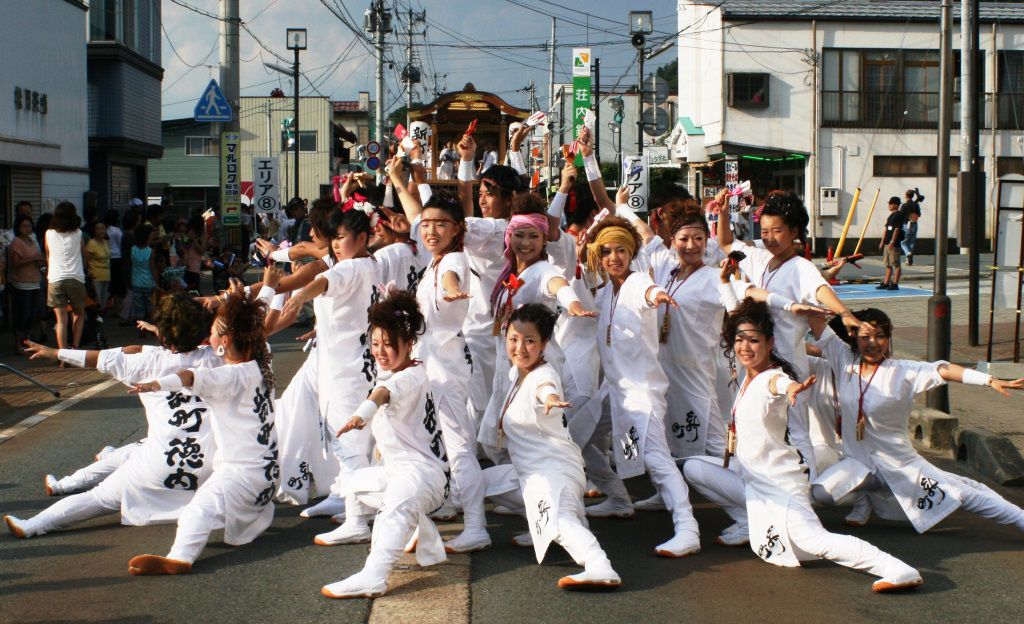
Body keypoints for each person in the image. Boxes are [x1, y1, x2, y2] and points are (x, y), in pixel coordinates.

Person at [683, 300, 923, 592]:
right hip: (754, 484)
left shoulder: (772, 377)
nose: (745, 346)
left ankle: (898, 569)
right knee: (694, 466)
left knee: (811, 540)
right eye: (740, 339)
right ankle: (746, 520)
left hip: (780, 487)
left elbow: (780, 386)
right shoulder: (747, 378)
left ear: (770, 343)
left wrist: (791, 387)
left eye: (754, 340)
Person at [4, 294, 219, 539]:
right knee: (127, 454)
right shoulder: (221, 358)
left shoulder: (143, 362)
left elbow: (95, 358)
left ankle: (34, 524)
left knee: (98, 497)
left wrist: (54, 352)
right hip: (213, 463)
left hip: (160, 460)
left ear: (164, 333)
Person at [808, 308, 1024, 534]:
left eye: (880, 336)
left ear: (888, 338)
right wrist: (842, 311)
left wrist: (988, 380)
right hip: (860, 465)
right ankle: (867, 497)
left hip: (901, 464)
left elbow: (944, 370)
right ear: (854, 337)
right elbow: (814, 318)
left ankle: (1019, 518)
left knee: (962, 495)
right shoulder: (844, 359)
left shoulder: (903, 371)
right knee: (821, 494)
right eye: (866, 337)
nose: (873, 343)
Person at [125, 291, 278, 575]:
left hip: (242, 475)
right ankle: (244, 518)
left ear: (224, 341)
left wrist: (157, 384)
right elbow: (264, 323)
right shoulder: (261, 362)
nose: (208, 334)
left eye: (213, 332)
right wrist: (268, 290)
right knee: (214, 504)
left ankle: (180, 558)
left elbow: (188, 376)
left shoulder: (227, 376)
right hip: (267, 476)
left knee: (195, 513)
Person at [579, 216, 702, 558]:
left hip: (641, 392)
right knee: (580, 437)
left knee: (657, 460)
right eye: (606, 251)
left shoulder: (636, 283)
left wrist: (658, 294)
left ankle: (688, 528)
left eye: (621, 250)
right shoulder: (605, 290)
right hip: (613, 392)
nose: (614, 257)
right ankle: (618, 498)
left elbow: (649, 292)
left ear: (631, 252)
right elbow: (583, 268)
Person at [319, 290, 450, 599]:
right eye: (375, 343)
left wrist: (361, 414)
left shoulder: (410, 376)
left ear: (408, 344)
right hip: (401, 471)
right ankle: (356, 525)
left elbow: (383, 393)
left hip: (424, 475)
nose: (380, 351)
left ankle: (373, 576)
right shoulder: (399, 370)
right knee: (355, 482)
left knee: (396, 508)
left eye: (389, 344)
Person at [490, 304, 621, 590]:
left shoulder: (542, 376)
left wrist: (549, 398)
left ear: (544, 344)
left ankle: (600, 565)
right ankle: (546, 529)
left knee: (560, 521)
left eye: (530, 341)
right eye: (514, 339)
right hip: (528, 473)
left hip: (554, 471)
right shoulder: (517, 374)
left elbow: (545, 388)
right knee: (474, 484)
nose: (520, 347)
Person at [281, 205, 382, 521]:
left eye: (342, 238)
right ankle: (343, 492)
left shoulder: (349, 268)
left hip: (346, 367)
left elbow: (323, 282)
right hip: (355, 362)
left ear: (362, 237)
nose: (337, 245)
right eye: (334, 240)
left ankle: (359, 505)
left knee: (346, 437)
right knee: (349, 436)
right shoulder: (372, 264)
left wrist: (299, 297)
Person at [45, 202, 87, 352]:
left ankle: (63, 354)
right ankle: (75, 349)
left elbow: (48, 256)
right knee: (79, 314)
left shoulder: (49, 233)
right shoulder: (78, 233)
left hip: (55, 279)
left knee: (61, 320)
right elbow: (83, 255)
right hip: (76, 278)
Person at [7, 215, 46, 354]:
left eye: (29, 225)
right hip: (22, 283)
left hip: (35, 280)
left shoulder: (32, 240)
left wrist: (41, 261)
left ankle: (28, 341)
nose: (27, 228)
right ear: (18, 227)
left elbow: (39, 258)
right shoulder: (16, 242)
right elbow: (15, 263)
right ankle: (18, 344)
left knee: (33, 313)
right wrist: (32, 259)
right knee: (22, 313)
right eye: (23, 226)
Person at [130, 224, 159, 324]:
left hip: (136, 283)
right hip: (149, 282)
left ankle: (141, 329)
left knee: (139, 308)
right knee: (150, 306)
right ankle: (152, 326)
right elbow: (152, 267)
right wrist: (157, 282)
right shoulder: (150, 251)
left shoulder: (132, 249)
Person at [877, 197, 904, 291]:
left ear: (896, 205)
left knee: (896, 264)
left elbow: (897, 229)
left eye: (891, 204)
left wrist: (892, 241)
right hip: (887, 243)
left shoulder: (899, 215)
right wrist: (882, 241)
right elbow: (886, 229)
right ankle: (886, 282)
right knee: (888, 264)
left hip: (894, 244)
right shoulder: (891, 216)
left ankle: (895, 284)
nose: (889, 205)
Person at [85, 221, 112, 313]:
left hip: (106, 274)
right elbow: (86, 261)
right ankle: (96, 321)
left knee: (104, 301)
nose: (100, 231)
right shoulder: (91, 243)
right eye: (98, 229)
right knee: (97, 300)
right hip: (95, 275)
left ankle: (100, 320)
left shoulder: (106, 242)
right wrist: (88, 274)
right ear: (94, 231)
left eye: (102, 228)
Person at [103, 210, 126, 302]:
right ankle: (116, 306)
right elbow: (121, 244)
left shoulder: (104, 229)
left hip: (107, 258)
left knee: (109, 283)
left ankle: (105, 303)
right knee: (117, 284)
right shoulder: (116, 230)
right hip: (117, 258)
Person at [899, 188, 922, 265]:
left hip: (906, 224)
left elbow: (900, 216)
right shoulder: (916, 205)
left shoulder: (904, 206)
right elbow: (919, 214)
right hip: (915, 224)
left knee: (903, 242)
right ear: (912, 196)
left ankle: (908, 253)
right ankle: (908, 260)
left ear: (906, 195)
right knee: (912, 243)